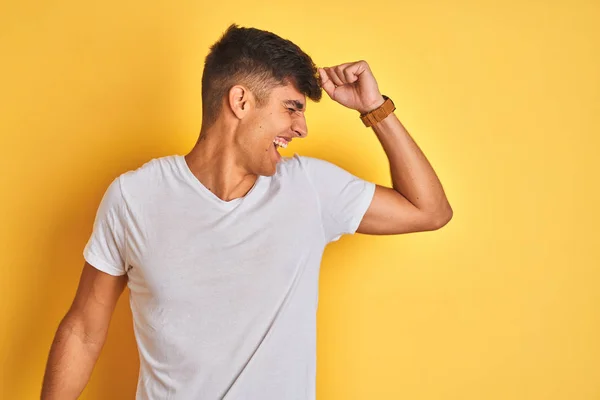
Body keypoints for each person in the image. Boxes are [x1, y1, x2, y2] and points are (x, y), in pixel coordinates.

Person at [41, 23, 452, 400]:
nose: (302, 128)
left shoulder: (310, 189)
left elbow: (429, 210)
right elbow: (83, 331)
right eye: (291, 108)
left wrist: (374, 108)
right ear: (240, 100)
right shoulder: (134, 197)